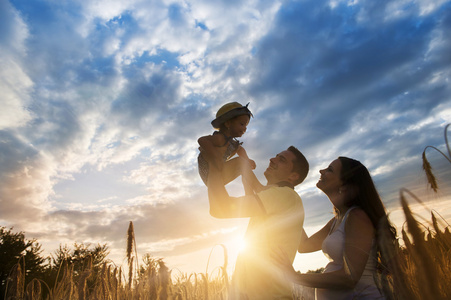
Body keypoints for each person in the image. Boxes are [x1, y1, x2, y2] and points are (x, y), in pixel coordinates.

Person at [273, 157, 397, 300]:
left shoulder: (357, 217)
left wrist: (295, 277)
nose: (321, 171)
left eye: (329, 169)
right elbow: (304, 246)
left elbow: (349, 278)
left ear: (344, 185)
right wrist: (289, 210)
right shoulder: (338, 219)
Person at [208, 146, 309, 299]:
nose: (272, 159)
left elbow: (220, 208)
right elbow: (253, 188)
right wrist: (243, 160)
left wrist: (213, 163)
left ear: (293, 176)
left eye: (281, 160)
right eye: (276, 155)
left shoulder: (285, 196)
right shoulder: (272, 198)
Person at [198, 102, 258, 189]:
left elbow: (240, 149)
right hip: (209, 174)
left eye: (246, 125)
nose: (245, 128)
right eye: (242, 124)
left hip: (218, 176)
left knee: (244, 167)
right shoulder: (219, 138)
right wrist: (215, 155)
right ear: (228, 124)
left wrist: (247, 159)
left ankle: (250, 193)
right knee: (240, 162)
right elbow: (202, 140)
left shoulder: (232, 144)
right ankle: (259, 187)